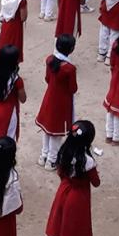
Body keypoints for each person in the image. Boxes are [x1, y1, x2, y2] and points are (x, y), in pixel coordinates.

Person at [45, 122, 100, 236]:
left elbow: (60, 172)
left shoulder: (64, 152)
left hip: (63, 191)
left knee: (58, 227)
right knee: (73, 231)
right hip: (78, 198)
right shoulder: (87, 161)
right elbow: (96, 182)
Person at [35, 34, 78, 169]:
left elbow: (47, 79)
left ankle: (44, 155)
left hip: (49, 97)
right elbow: (73, 88)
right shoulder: (69, 68)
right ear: (70, 49)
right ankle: (52, 160)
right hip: (62, 101)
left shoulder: (50, 60)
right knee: (56, 131)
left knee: (47, 128)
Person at [0, 45, 26, 158]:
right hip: (8, 114)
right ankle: (6, 171)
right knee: (7, 144)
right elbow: (23, 99)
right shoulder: (17, 80)